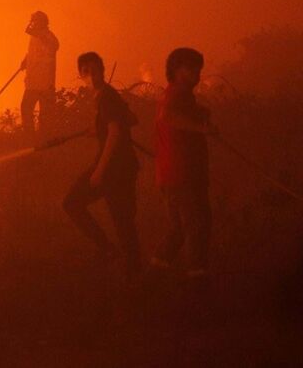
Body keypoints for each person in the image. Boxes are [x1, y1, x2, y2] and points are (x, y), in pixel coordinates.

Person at [62, 52, 141, 280]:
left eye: (95, 70)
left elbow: (115, 133)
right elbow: (131, 118)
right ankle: (119, 259)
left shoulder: (106, 97)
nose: (91, 75)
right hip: (120, 167)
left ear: (103, 70)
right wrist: (99, 128)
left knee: (118, 219)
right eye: (86, 71)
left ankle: (127, 267)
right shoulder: (103, 96)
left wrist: (99, 171)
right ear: (80, 74)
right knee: (120, 220)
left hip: (116, 169)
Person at [153, 47, 216, 279]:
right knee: (197, 225)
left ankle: (155, 273)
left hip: (172, 174)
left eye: (199, 68)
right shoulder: (177, 94)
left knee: (179, 229)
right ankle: (197, 277)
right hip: (183, 173)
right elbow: (168, 117)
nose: (197, 74)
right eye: (192, 68)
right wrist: (202, 129)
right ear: (178, 70)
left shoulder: (179, 95)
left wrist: (200, 113)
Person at [20, 11, 59, 146]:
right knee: (26, 108)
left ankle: (43, 141)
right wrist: (25, 61)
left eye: (35, 21)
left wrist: (39, 35)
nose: (33, 24)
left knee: (44, 115)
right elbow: (31, 52)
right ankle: (30, 140)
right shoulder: (34, 38)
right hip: (32, 82)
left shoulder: (49, 37)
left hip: (45, 84)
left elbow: (54, 46)